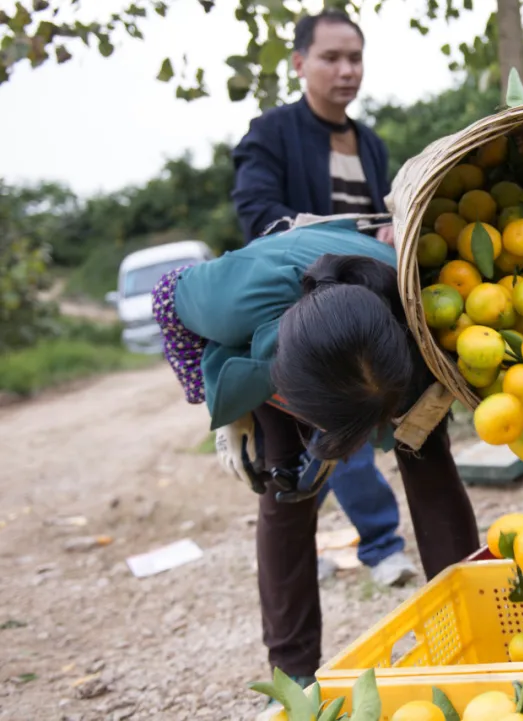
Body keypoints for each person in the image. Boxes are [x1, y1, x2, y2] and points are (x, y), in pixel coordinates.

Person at [152, 219, 480, 685]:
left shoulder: (413, 309)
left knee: (427, 456)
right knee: (285, 485)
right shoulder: (233, 302)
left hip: (370, 336)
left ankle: (471, 630)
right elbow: (165, 297)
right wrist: (220, 406)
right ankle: (293, 675)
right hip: (268, 343)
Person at [230, 9, 415, 587]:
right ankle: (383, 547)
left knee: (322, 434)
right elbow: (256, 214)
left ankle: (319, 542)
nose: (346, 71)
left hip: (369, 300)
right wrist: (332, 237)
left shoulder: (371, 143)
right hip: (301, 302)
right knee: (341, 415)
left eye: (354, 58)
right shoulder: (271, 133)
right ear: (299, 63)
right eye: (331, 58)